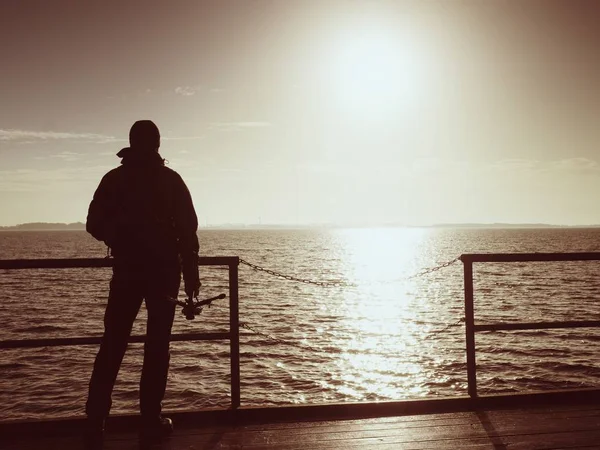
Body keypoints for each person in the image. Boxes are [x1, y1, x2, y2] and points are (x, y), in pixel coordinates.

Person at [84, 120, 200, 442]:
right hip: (164, 275)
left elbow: (93, 223)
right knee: (157, 346)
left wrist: (118, 236)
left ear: (132, 143)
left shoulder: (114, 179)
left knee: (113, 344)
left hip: (127, 273)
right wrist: (192, 277)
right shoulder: (171, 181)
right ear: (158, 144)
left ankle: (95, 421)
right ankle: (150, 419)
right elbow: (188, 233)